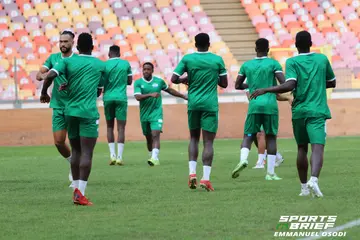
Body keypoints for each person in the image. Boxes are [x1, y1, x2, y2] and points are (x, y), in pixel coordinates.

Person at [251, 31, 336, 197]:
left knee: (301, 148)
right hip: (317, 110)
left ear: (296, 45)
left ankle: (304, 188)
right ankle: (314, 180)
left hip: (299, 111)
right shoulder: (322, 59)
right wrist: (316, 83)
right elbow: (332, 81)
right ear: (311, 43)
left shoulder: (292, 61)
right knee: (318, 146)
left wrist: (266, 89)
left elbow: (290, 84)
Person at [40, 33, 105, 206]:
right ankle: (80, 193)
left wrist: (43, 91)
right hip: (88, 113)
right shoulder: (99, 64)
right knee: (87, 153)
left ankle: (76, 189)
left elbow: (51, 75)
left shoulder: (67, 61)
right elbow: (99, 90)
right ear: (92, 47)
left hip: (70, 112)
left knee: (75, 151)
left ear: (76, 47)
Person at [171, 33, 228, 191]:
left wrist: (186, 79)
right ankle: (206, 179)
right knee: (208, 142)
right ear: (209, 44)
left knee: (194, 139)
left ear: (195, 44)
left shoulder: (188, 59)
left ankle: (191, 174)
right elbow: (224, 83)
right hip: (210, 104)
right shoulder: (217, 60)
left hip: (193, 103)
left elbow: (174, 79)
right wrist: (211, 77)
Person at [231, 38, 286, 181]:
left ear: (255, 49)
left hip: (254, 105)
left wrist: (251, 87)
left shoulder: (247, 65)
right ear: (268, 50)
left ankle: (243, 159)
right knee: (271, 137)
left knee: (248, 135)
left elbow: (237, 85)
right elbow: (284, 83)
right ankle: (270, 173)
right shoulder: (273, 64)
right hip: (270, 106)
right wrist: (269, 87)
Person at [36, 31, 75, 186]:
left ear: (73, 42)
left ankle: (77, 173)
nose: (63, 44)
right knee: (59, 142)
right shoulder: (53, 58)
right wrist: (46, 75)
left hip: (74, 104)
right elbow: (41, 73)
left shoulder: (77, 60)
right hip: (58, 105)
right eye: (60, 41)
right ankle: (72, 162)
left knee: (75, 139)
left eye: (66, 41)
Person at [134, 62, 187, 166]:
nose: (146, 71)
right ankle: (152, 155)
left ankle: (155, 158)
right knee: (148, 138)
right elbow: (137, 97)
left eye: (148, 69)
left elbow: (170, 90)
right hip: (144, 114)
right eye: (144, 69)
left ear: (152, 71)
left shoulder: (159, 82)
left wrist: (183, 96)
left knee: (155, 134)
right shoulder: (138, 83)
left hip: (156, 113)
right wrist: (150, 94)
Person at [102, 45, 133, 166]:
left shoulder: (104, 65)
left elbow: (102, 82)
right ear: (119, 54)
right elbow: (130, 81)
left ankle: (112, 155)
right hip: (121, 98)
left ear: (109, 54)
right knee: (121, 128)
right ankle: (120, 157)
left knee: (110, 127)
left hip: (108, 97)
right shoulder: (126, 64)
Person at [244, 89, 290, 169]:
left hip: (267, 110)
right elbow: (249, 95)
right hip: (255, 109)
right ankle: (277, 156)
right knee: (255, 136)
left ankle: (261, 162)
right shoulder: (249, 79)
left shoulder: (269, 81)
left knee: (261, 134)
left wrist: (288, 98)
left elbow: (277, 95)